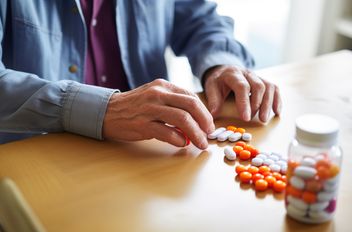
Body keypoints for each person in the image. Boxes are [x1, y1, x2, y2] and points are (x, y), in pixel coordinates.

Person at [0, 0, 281, 149]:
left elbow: (198, 17)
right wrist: (105, 109)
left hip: (146, 154)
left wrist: (220, 64)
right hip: (36, 165)